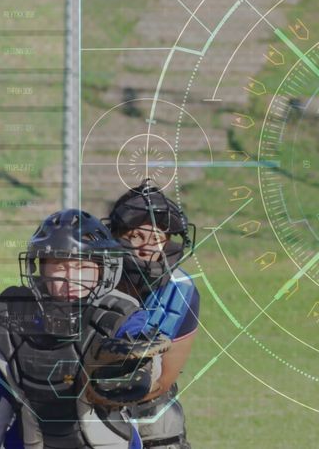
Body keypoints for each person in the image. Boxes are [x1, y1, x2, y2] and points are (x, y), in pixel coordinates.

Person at [0, 209, 172, 448]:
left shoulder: (122, 318)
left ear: (103, 269)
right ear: (40, 269)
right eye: (59, 266)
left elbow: (149, 362)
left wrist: (140, 370)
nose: (71, 279)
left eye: (82, 267)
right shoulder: (13, 323)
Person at [106, 180, 200, 449]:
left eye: (157, 238)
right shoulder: (91, 280)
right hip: (85, 401)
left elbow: (164, 379)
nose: (147, 247)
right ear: (115, 237)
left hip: (147, 402)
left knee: (162, 421)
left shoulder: (180, 291)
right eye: (135, 236)